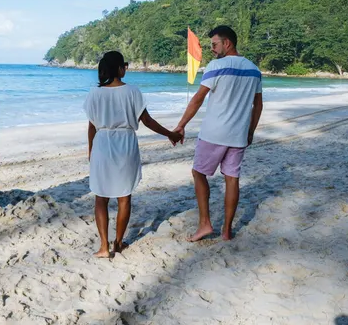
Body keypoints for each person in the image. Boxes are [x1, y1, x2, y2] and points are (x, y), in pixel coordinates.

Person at [84, 51, 182, 258]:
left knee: (101, 198)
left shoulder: (95, 93)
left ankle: (103, 247)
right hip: (125, 143)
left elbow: (92, 126)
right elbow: (147, 120)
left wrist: (91, 150)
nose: (125, 68)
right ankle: (118, 244)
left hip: (102, 143)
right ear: (120, 68)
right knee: (124, 196)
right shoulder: (132, 91)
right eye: (125, 65)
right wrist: (170, 134)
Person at [174, 25, 263, 242]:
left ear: (227, 43)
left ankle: (205, 224)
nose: (212, 49)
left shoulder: (216, 66)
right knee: (232, 180)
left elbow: (198, 98)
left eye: (215, 44)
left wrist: (181, 125)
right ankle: (227, 231)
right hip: (238, 135)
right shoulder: (254, 70)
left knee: (198, 173)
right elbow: (257, 106)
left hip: (214, 134)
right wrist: (250, 130)